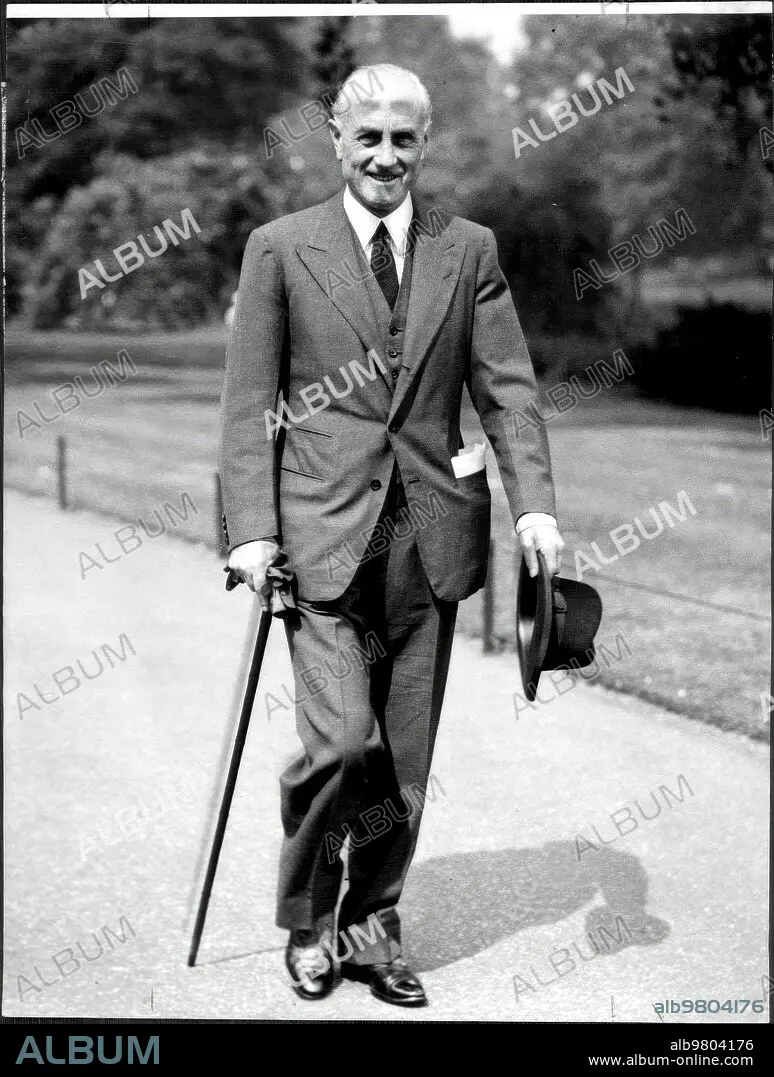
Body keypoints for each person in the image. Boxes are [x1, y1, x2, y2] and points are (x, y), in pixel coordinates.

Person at [220, 63, 564, 1008]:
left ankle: (371, 927)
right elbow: (248, 404)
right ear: (335, 139)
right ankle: (306, 918)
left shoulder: (468, 249)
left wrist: (534, 504)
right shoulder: (280, 248)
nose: (384, 155)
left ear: (424, 144)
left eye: (402, 138)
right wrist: (250, 531)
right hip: (318, 543)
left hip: (430, 543)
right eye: (366, 136)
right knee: (340, 746)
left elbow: (508, 389)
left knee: (402, 764)